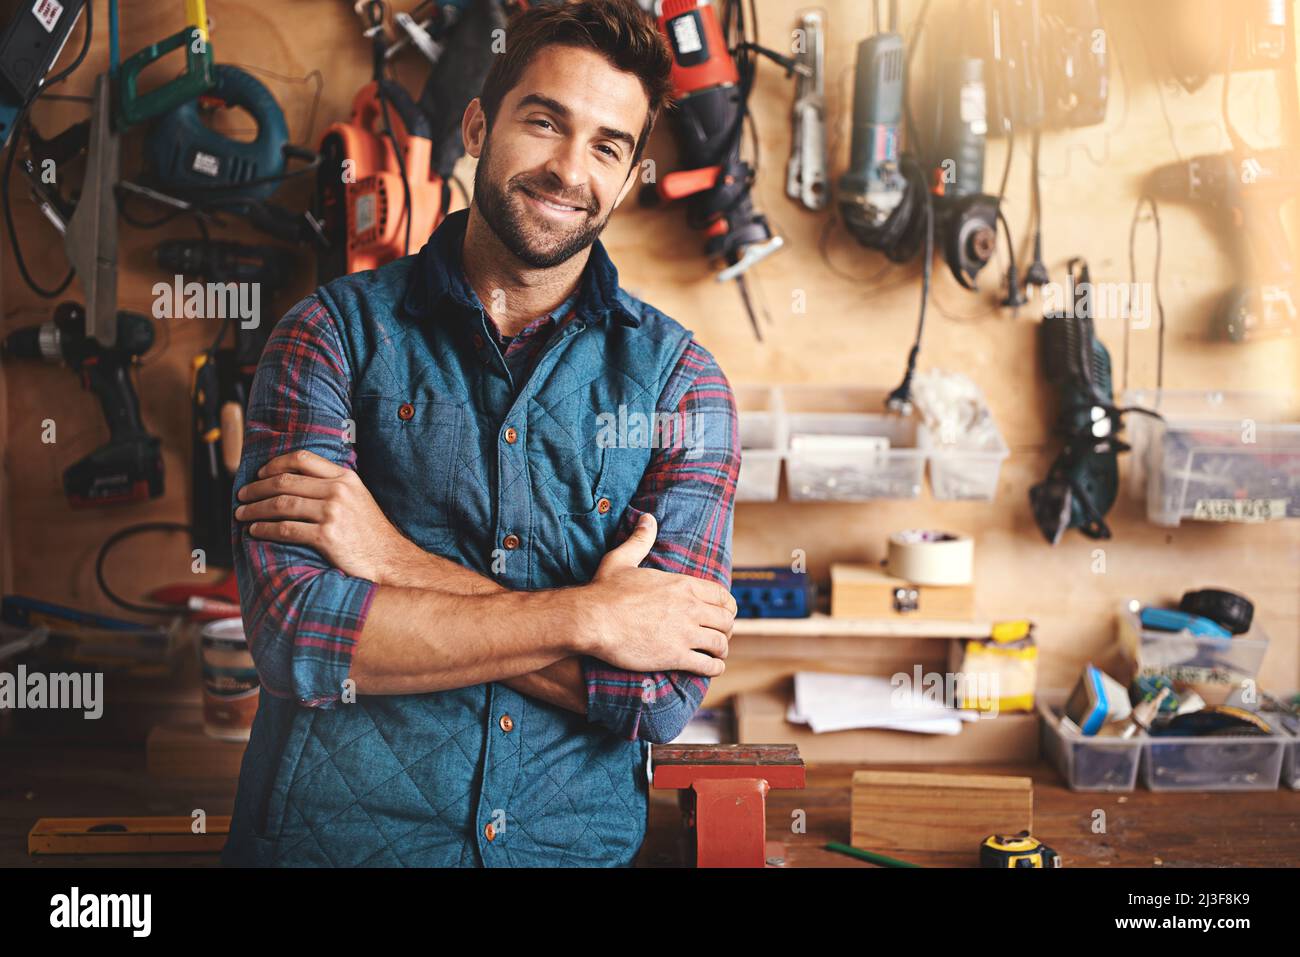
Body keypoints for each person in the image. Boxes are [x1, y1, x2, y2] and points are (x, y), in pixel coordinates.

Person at [223, 0, 740, 867]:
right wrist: (592, 616)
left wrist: (388, 560)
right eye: (545, 121)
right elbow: (297, 635)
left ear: (629, 173)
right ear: (476, 124)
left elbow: (653, 693)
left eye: (608, 146)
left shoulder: (682, 387)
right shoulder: (328, 338)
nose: (570, 169)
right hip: (335, 846)